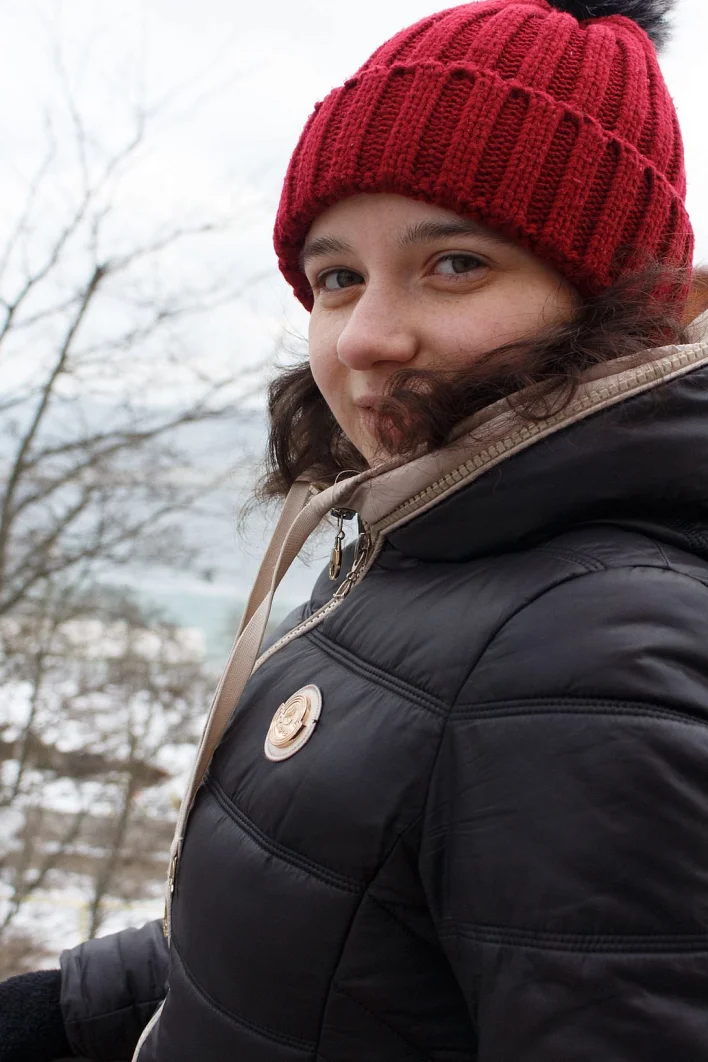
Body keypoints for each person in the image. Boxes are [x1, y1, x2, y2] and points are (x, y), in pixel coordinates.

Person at [3, 0, 708, 1059]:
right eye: (338, 277)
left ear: (628, 303)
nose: (364, 338)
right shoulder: (437, 551)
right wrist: (64, 1010)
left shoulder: (595, 657)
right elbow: (330, 922)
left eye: (455, 263)